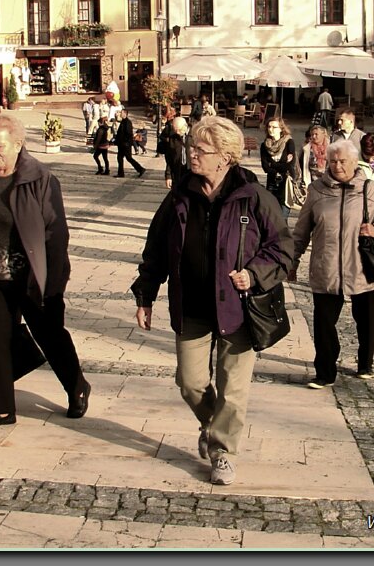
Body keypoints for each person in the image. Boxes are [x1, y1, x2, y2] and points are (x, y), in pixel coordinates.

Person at [132, 116, 294, 485]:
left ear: (225, 157)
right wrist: (146, 294)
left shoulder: (254, 197)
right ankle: (211, 425)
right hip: (191, 305)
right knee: (189, 383)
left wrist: (253, 274)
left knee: (233, 390)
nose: (191, 154)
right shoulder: (179, 197)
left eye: (200, 150)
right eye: (191, 147)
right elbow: (156, 248)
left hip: (239, 310)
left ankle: (223, 452)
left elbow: (283, 249)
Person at [0, 114, 90, 430]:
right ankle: (4, 409)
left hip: (34, 277)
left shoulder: (41, 178)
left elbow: (56, 232)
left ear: (18, 144)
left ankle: (76, 385)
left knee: (50, 337)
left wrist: (55, 281)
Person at [291, 139, 374, 388]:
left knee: (365, 320)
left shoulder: (369, 189)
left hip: (361, 267)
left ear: (354, 162)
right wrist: (292, 260)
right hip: (326, 266)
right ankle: (325, 372)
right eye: (333, 161)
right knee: (324, 323)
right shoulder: (317, 190)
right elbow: (301, 230)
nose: (338, 166)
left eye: (343, 161)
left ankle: (365, 364)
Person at [260, 117, 299, 219]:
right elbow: (265, 167)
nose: (271, 129)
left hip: (286, 182)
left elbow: (289, 165)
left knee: (283, 215)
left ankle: (283, 234)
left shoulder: (289, 142)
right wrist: (276, 168)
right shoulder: (264, 145)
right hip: (272, 182)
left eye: (274, 127)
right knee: (271, 215)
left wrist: (272, 165)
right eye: (269, 126)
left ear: (281, 129)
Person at [113, 108, 146, 178]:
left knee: (129, 158)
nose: (120, 114)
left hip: (125, 144)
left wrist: (126, 142)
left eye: (121, 113)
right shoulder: (123, 121)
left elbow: (128, 134)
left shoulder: (127, 122)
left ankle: (140, 169)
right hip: (121, 144)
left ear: (125, 114)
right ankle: (121, 173)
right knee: (120, 158)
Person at [163, 116, 191, 189]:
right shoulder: (173, 138)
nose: (178, 132)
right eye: (175, 130)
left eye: (179, 130)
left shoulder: (194, 135)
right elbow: (169, 158)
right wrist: (168, 176)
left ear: (185, 126)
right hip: (177, 172)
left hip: (191, 172)